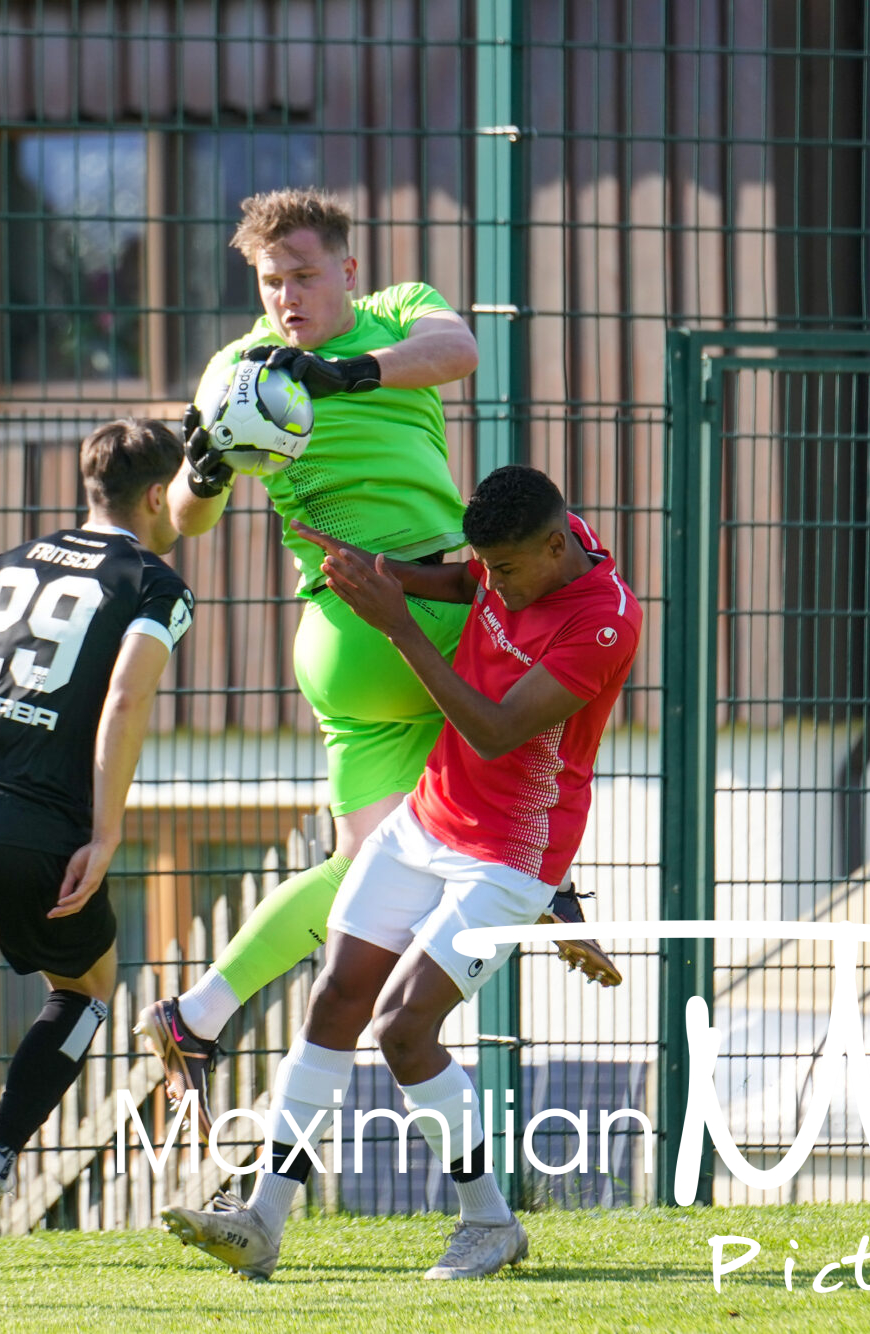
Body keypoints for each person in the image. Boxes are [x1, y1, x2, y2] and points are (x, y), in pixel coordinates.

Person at [161, 465, 640, 1281]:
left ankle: (489, 1222)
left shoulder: (605, 623)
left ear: (557, 547)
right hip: (426, 817)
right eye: (491, 566)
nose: (499, 586)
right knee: (336, 997)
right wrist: (386, 574)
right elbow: (467, 579)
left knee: (403, 1027)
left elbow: (493, 732)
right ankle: (263, 1220)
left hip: (511, 854)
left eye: (513, 570)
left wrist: (397, 623)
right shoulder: (541, 546)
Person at [132, 186, 488, 1128]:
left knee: (367, 870)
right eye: (269, 281)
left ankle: (198, 1012)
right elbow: (182, 519)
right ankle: (550, 883)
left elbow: (458, 351)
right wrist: (202, 467)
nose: (287, 297)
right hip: (402, 618)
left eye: (302, 275)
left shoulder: (400, 314)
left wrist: (348, 374)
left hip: (384, 627)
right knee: (520, 749)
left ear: (347, 271)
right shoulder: (242, 367)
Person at [0, 419, 195, 1271]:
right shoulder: (154, 584)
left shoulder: (9, 564)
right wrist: (105, 831)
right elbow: (125, 702)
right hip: (43, 829)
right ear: (159, 496)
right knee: (88, 987)